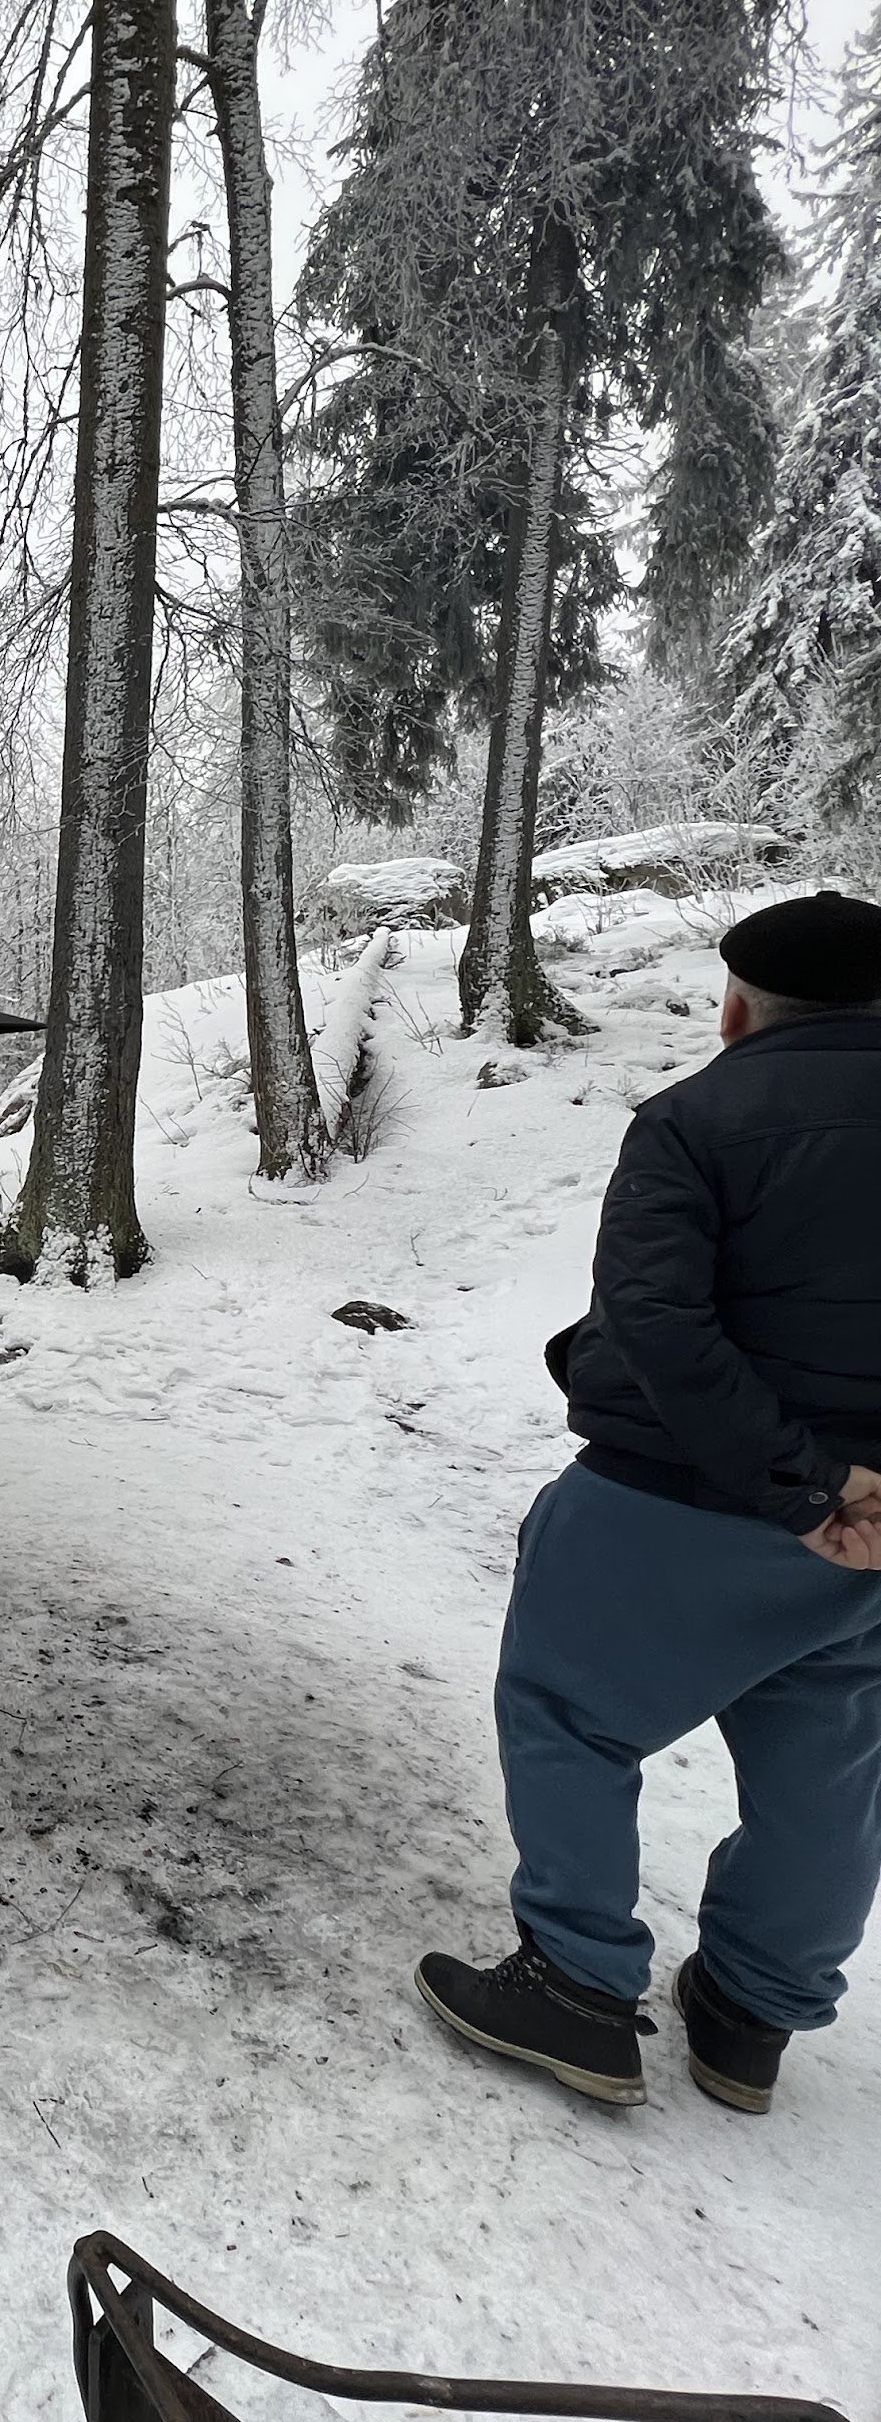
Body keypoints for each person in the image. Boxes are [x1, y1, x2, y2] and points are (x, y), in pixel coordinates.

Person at [418, 889, 881, 2112]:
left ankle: (575, 1987)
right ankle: (750, 2014)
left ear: (736, 1007)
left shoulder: (695, 1121)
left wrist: (809, 1484)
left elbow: (664, 1326)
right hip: (873, 1538)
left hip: (680, 1499)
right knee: (827, 1761)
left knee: (569, 1705)